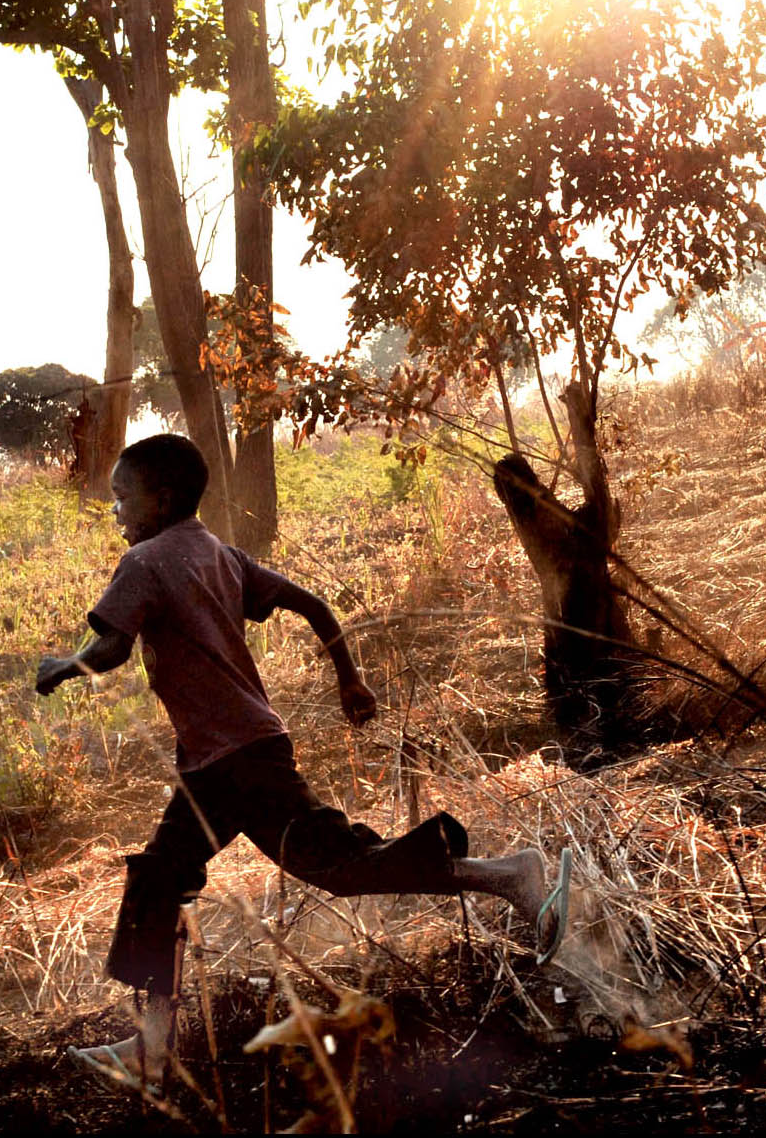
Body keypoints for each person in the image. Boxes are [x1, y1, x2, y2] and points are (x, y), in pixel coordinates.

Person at [36, 434, 573, 1086]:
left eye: (123, 497)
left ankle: (510, 875)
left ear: (163, 498)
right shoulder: (219, 553)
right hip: (238, 756)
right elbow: (312, 604)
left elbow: (114, 647)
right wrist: (349, 676)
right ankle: (504, 875)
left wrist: (65, 665)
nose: (116, 511)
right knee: (272, 870)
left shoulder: (145, 563)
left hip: (232, 763)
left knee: (201, 877)